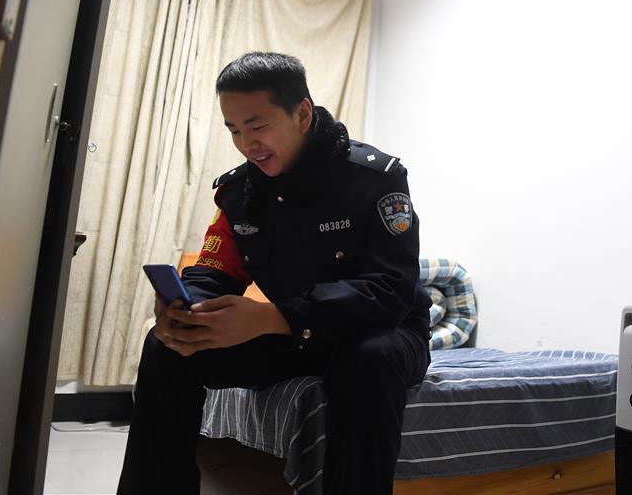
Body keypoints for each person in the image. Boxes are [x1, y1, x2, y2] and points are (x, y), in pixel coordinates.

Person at [117, 52, 432, 494]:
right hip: (295, 336)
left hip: (380, 330)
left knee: (369, 358)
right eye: (234, 130)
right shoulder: (239, 193)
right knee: (166, 346)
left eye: (257, 126)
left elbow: (390, 291)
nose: (247, 143)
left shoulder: (374, 179)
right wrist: (187, 310)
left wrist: (273, 317)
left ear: (302, 114)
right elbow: (213, 272)